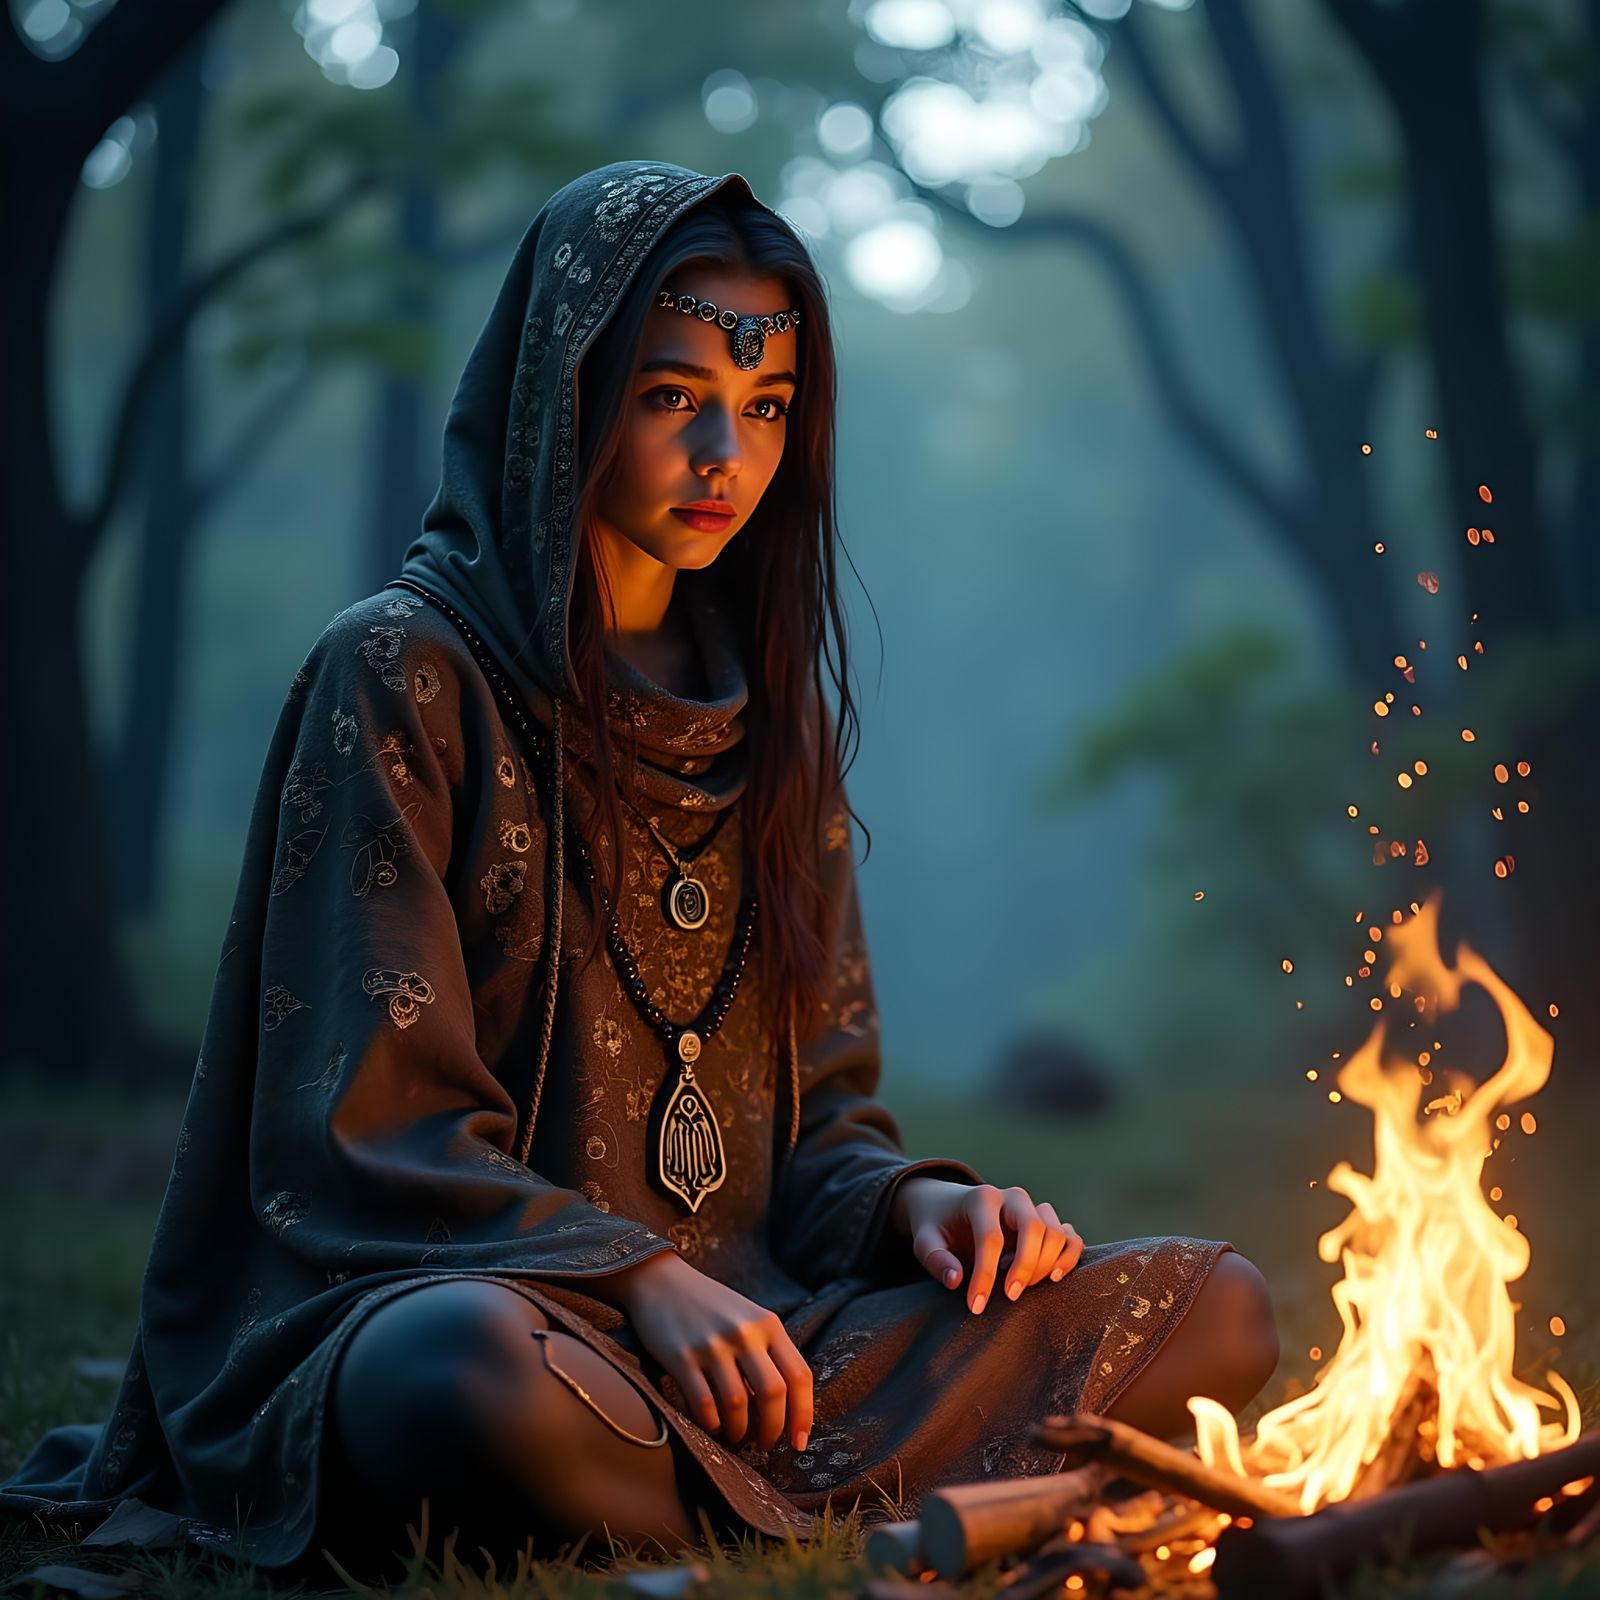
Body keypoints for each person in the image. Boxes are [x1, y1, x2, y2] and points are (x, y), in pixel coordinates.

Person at [0, 160, 1277, 1582]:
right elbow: (363, 1131)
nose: (726, 454)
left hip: (767, 1348)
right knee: (463, 1376)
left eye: (768, 407)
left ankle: (704, 1496)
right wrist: (636, 1275)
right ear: (569, 391)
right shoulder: (402, 673)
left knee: (1216, 1307)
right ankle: (846, 1496)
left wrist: (922, 1208)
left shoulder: (775, 717)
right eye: (675, 397)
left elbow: (825, 1126)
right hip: (501, 1314)